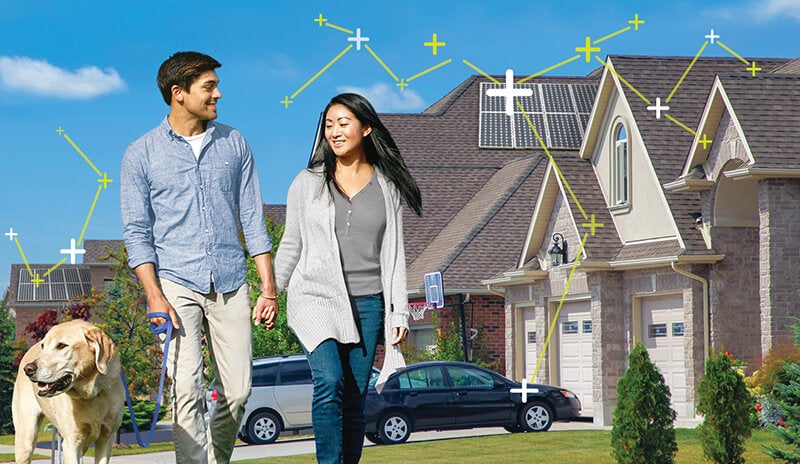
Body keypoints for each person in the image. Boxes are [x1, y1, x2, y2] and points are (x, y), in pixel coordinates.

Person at [120, 51, 278, 464]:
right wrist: (154, 296)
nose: (218, 94)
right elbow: (137, 233)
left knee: (239, 390)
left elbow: (252, 219)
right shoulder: (141, 154)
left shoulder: (235, 143)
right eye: (208, 87)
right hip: (175, 284)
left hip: (230, 281)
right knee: (186, 388)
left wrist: (269, 289)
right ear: (179, 94)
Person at [265, 93, 422, 463]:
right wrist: (271, 292)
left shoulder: (388, 188)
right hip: (315, 297)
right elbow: (291, 242)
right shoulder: (307, 182)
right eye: (329, 124)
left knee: (354, 396)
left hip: (368, 304)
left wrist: (397, 313)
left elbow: (395, 256)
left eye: (343, 123)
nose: (334, 131)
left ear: (366, 128)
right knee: (330, 381)